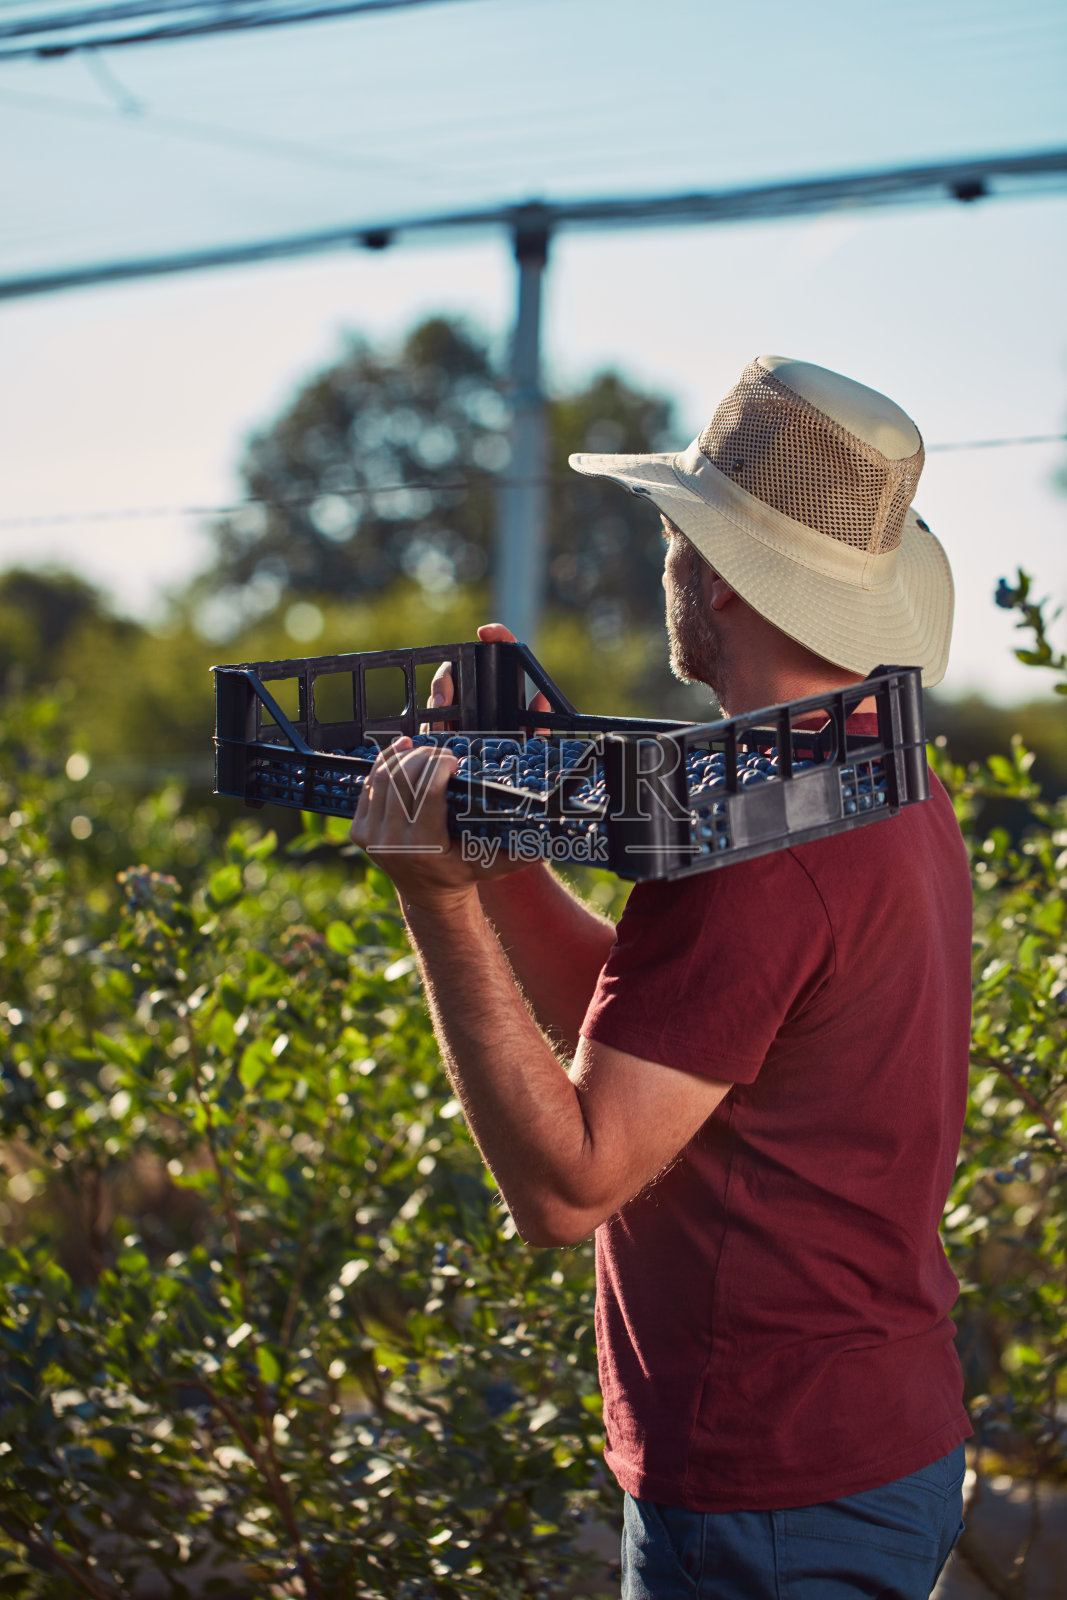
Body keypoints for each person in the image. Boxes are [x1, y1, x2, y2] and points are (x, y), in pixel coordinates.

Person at [350, 355, 972, 1600]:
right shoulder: (876, 776)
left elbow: (567, 1188)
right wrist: (504, 850)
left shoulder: (754, 845)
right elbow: (679, 1028)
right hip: (869, 1441)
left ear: (722, 575)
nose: (665, 556)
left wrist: (435, 901)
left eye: (676, 529)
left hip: (771, 1491)